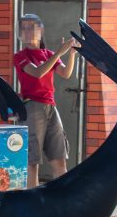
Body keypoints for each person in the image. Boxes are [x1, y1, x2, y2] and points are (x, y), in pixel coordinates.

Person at [13, 14, 80, 188]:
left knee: (59, 158)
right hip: (32, 107)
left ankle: (62, 202)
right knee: (32, 161)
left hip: (51, 106)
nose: (27, 31)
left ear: (40, 30)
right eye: (24, 28)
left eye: (32, 27)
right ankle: (33, 205)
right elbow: (37, 73)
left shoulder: (48, 54)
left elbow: (65, 74)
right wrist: (60, 51)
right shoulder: (20, 56)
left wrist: (71, 54)